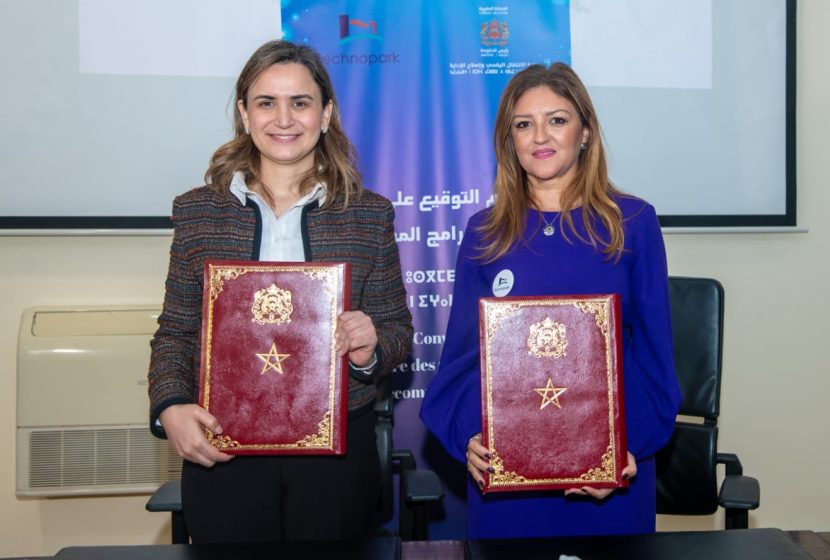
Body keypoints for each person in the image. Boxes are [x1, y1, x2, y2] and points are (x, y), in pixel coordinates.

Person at [147, 40, 412, 543]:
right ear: (245, 114)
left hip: (336, 454)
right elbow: (176, 331)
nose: (284, 118)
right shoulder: (198, 212)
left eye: (301, 102)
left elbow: (397, 332)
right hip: (223, 444)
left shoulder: (369, 214)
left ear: (326, 114)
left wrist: (370, 344)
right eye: (266, 102)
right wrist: (171, 406)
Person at [419, 62, 682, 539]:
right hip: (507, 483)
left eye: (557, 119)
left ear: (585, 132)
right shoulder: (485, 232)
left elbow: (655, 359)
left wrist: (626, 449)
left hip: (611, 479)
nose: (540, 135)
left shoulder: (634, 222)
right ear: (510, 141)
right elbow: (460, 359)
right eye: (524, 124)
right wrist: (466, 438)